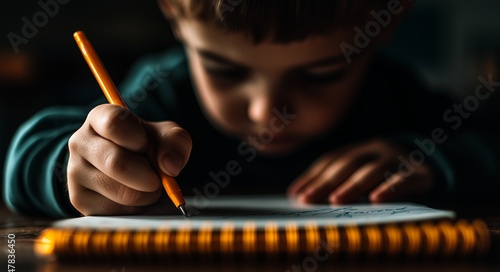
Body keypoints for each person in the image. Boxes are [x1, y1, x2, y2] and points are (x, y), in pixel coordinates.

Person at [3, 0, 500, 217]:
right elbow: (30, 154)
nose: (267, 114)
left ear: (389, 19)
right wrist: (78, 167)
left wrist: (436, 162)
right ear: (173, 11)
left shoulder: (397, 99)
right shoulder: (161, 93)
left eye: (320, 74)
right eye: (224, 70)